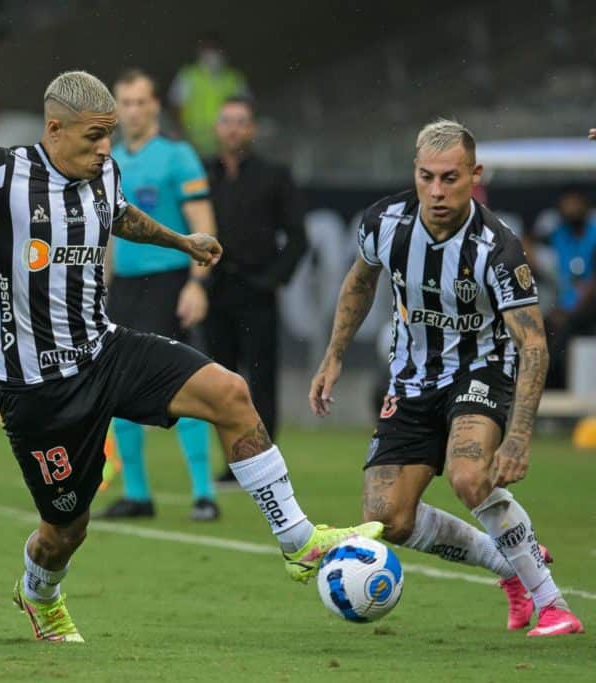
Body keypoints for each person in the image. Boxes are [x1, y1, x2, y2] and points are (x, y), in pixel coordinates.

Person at [0, 70, 381, 643]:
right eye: (94, 137)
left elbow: (119, 215)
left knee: (231, 393)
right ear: (54, 127)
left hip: (105, 350)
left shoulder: (105, 170)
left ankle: (298, 541)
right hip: (36, 389)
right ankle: (38, 592)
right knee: (65, 530)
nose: (105, 149)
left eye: (109, 136)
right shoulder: (7, 170)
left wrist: (181, 241)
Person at [309, 119, 583, 637]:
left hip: (481, 371)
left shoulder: (497, 247)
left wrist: (520, 436)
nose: (437, 191)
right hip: (412, 381)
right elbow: (359, 281)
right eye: (427, 177)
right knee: (388, 518)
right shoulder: (384, 222)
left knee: (468, 475)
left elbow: (533, 343)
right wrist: (334, 355)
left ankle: (552, 603)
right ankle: (511, 565)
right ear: (414, 172)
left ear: (474, 175)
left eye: (450, 178)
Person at [98, 68, 219, 522]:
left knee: (186, 386)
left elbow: (203, 222)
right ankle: (138, 494)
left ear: (155, 106)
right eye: (123, 102)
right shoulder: (107, 160)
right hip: (125, 289)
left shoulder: (177, 156)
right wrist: (101, 285)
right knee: (117, 390)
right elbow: (108, 232)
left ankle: (204, 494)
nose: (132, 110)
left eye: (139, 101)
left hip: (170, 283)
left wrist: (197, 283)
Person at [204, 95, 306, 483]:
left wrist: (272, 279)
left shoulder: (274, 175)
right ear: (217, 128)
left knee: (261, 379)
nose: (233, 128)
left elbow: (298, 238)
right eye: (226, 121)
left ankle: (266, 465)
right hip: (215, 290)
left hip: (256, 291)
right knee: (218, 379)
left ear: (252, 129)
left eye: (240, 121)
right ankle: (233, 462)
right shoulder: (202, 174)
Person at [542, 187, 596, 388]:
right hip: (561, 304)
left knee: (565, 328)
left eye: (575, 203)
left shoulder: (594, 233)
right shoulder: (557, 233)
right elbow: (528, 246)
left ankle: (558, 386)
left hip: (587, 309)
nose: (571, 208)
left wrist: (571, 312)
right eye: (567, 204)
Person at [168, 32, 249, 157]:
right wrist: (183, 134)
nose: (212, 55)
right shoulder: (188, 76)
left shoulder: (234, 78)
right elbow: (176, 106)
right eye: (207, 50)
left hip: (226, 145)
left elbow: (247, 109)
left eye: (215, 50)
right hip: (193, 144)